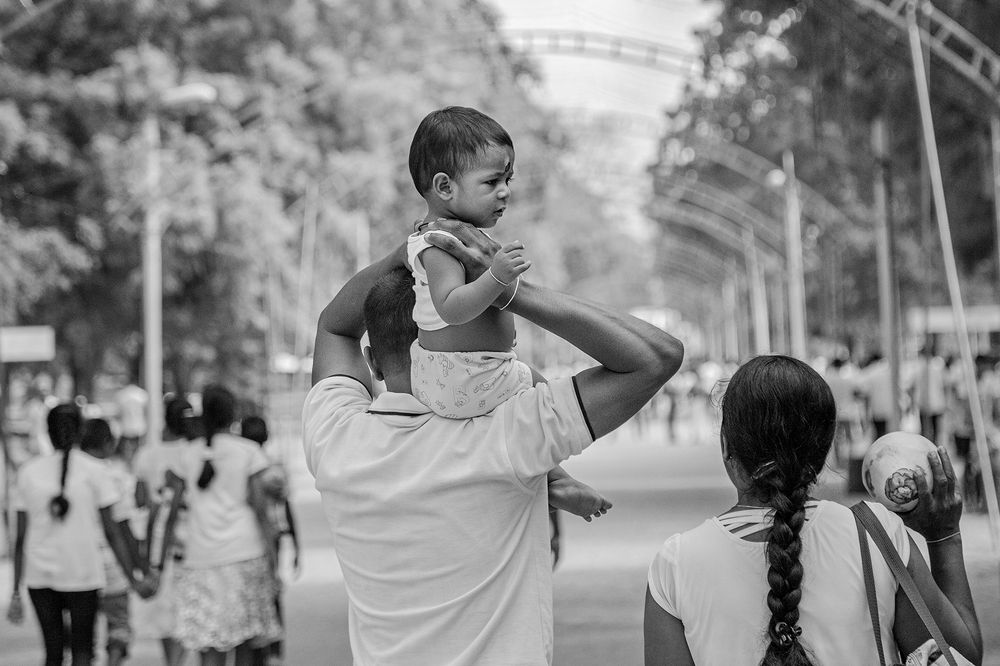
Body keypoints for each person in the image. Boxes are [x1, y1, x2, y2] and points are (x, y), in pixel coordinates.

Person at [303, 219, 684, 665]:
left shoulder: (334, 438)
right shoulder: (507, 432)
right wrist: (509, 289)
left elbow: (333, 326)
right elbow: (657, 356)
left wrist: (410, 251)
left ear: (373, 360)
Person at [643, 355, 982, 665]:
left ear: (726, 445)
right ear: (823, 450)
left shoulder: (676, 563)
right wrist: (944, 537)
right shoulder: (876, 533)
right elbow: (959, 657)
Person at [405, 106, 611, 522]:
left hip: (463, 372)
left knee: (530, 394)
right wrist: (495, 278)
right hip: (467, 373)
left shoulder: (452, 235)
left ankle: (553, 479)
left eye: (507, 180)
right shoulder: (438, 243)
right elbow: (452, 309)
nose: (505, 192)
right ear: (444, 187)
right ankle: (556, 477)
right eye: (492, 181)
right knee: (537, 392)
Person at [6, 402, 154, 666]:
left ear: (48, 432)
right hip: (83, 573)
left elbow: (19, 538)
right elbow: (114, 532)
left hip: (40, 576)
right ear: (79, 431)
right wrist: (133, 578)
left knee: (53, 652)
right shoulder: (96, 471)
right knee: (82, 651)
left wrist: (16, 590)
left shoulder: (27, 473)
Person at [161, 385, 281, 666]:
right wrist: (274, 560)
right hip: (245, 554)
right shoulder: (249, 452)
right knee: (246, 645)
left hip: (201, 559)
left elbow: (171, 508)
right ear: (233, 414)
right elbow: (261, 510)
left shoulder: (187, 455)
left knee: (209, 648)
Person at [132, 395, 196, 666]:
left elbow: (139, 498)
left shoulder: (147, 454)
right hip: (192, 538)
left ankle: (172, 661)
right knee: (187, 607)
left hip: (158, 541)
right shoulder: (194, 452)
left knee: (165, 608)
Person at [80, 418, 143, 666]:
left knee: (82, 633)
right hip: (113, 568)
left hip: (80, 569)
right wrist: (138, 571)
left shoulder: (71, 473)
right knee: (119, 625)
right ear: (108, 444)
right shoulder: (114, 476)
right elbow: (123, 529)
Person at [240, 415, 300, 666]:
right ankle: (274, 652)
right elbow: (286, 509)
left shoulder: (240, 463)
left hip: (246, 542)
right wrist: (297, 547)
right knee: (272, 596)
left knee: (251, 600)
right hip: (272, 539)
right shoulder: (274, 468)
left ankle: (262, 653)